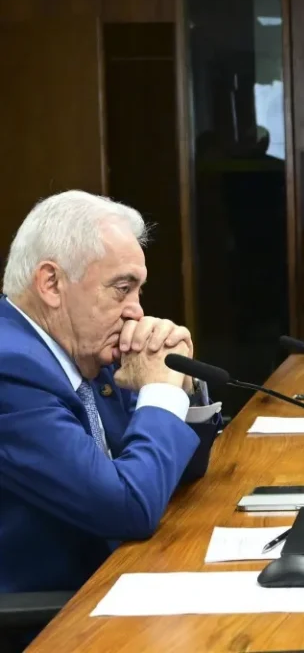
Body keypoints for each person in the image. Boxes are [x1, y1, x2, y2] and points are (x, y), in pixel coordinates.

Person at [0, 192, 221, 614]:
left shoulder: (84, 348)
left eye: (138, 290)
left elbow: (178, 472)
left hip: (117, 579)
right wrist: (161, 392)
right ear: (51, 284)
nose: (136, 312)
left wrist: (181, 385)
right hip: (50, 617)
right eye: (122, 289)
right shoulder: (10, 369)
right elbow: (127, 507)